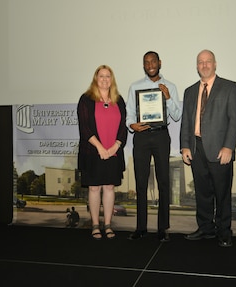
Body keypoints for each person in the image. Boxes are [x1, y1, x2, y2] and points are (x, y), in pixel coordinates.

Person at [180, 49, 236, 247]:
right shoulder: (189, 91)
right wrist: (184, 147)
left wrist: (228, 147)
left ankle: (224, 231)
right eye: (200, 62)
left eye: (208, 61)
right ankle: (205, 228)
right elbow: (185, 123)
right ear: (197, 66)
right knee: (202, 193)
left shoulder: (230, 87)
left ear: (215, 64)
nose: (204, 65)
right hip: (196, 148)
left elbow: (234, 120)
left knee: (222, 193)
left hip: (220, 149)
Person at [126, 51, 182, 242]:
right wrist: (131, 125)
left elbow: (176, 115)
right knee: (141, 183)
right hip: (141, 137)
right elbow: (130, 114)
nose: (150, 64)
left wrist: (167, 97)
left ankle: (162, 228)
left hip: (160, 136)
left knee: (164, 182)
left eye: (153, 61)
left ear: (159, 63)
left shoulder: (171, 87)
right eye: (146, 62)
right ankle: (141, 227)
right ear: (144, 65)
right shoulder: (135, 87)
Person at [77, 65, 127, 240]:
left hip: (113, 152)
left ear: (112, 79)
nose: (105, 79)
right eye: (101, 76)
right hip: (93, 152)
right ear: (95, 79)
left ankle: (107, 224)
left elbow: (123, 128)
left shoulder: (119, 100)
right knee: (94, 187)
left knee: (109, 187)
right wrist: (100, 148)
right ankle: (95, 225)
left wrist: (115, 147)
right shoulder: (86, 99)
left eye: (108, 76)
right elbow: (84, 128)